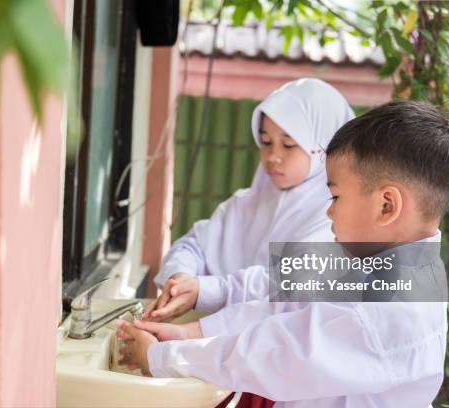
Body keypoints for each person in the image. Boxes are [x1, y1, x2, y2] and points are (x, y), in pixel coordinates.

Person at [117, 101, 449, 407]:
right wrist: (190, 335)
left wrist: (160, 357)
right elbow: (284, 304)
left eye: (335, 197)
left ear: (386, 206)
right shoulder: (374, 263)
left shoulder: (396, 307)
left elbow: (279, 354)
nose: (328, 212)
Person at [144, 78, 354, 321]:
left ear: (324, 148)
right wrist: (180, 277)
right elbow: (191, 246)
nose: (273, 156)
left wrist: (207, 291)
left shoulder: (335, 219)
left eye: (288, 144)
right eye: (265, 142)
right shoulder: (244, 205)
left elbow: (289, 284)